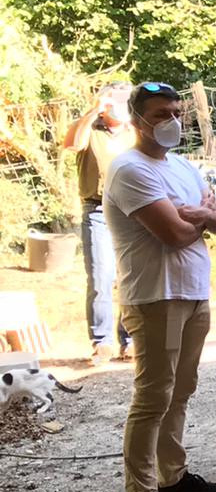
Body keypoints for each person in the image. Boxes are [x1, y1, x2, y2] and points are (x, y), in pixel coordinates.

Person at [104, 81, 216, 492]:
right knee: (153, 395)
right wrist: (199, 219)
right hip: (154, 294)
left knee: (182, 389)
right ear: (136, 120)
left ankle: (173, 478)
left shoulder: (182, 166)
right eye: (160, 114)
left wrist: (197, 215)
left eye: (176, 112)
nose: (172, 122)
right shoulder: (128, 170)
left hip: (193, 289)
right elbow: (174, 234)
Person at [64, 84, 134, 362]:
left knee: (130, 275)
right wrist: (94, 110)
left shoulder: (135, 132)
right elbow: (72, 143)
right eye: (114, 100)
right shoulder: (89, 128)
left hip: (131, 211)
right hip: (97, 209)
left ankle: (128, 339)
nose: (120, 105)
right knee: (101, 276)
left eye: (125, 100)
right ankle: (101, 341)